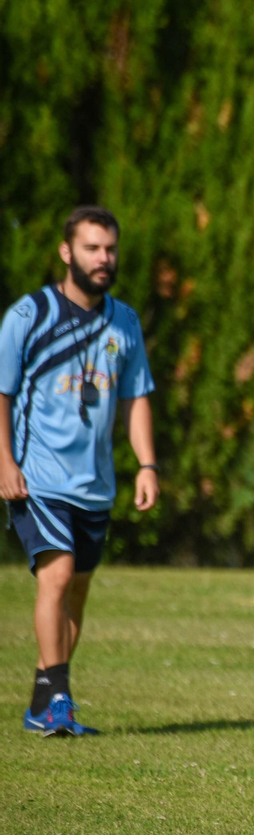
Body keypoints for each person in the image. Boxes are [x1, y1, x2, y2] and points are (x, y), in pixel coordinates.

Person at [0, 206, 159, 736]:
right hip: (38, 476)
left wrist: (147, 465)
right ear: (67, 252)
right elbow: (1, 392)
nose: (103, 258)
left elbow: (136, 399)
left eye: (110, 249)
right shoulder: (29, 316)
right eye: (92, 248)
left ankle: (43, 699)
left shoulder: (124, 322)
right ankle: (60, 698)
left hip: (95, 484)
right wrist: (5, 461)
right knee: (58, 574)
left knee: (78, 591)